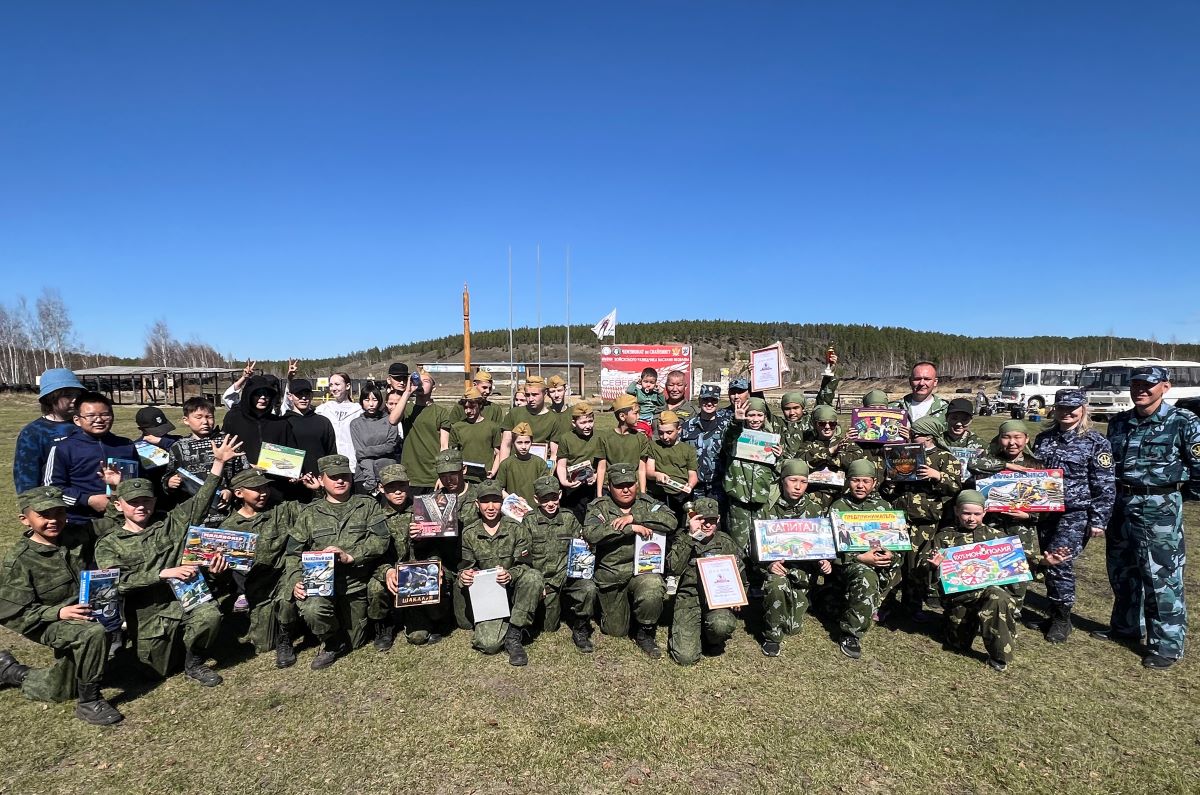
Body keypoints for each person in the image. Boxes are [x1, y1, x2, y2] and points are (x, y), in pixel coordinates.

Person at [94, 435, 243, 687]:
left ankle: (194, 662)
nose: (140, 507)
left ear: (154, 502)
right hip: (149, 616)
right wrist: (162, 573)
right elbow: (115, 584)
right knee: (155, 671)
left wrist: (218, 464)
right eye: (133, 503)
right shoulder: (109, 543)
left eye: (146, 501)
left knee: (210, 616)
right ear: (119, 506)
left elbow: (201, 500)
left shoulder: (169, 524)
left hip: (184, 601)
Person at [1098, 365, 1200, 669]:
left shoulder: (1183, 421)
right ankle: (1127, 627)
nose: (1141, 390)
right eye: (1136, 384)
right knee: (1122, 569)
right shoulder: (1119, 422)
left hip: (1159, 506)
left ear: (1165, 387)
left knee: (1161, 577)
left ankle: (1167, 644)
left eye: (1148, 385)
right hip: (1120, 502)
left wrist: (1178, 497)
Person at [0, 486, 124, 725]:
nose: (54, 520)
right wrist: (57, 612)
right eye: (44, 515)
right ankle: (89, 702)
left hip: (83, 613)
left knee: (62, 687)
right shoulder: (19, 561)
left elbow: (116, 519)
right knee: (93, 633)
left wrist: (117, 488)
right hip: (45, 622)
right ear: (25, 520)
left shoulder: (75, 535)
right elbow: (10, 613)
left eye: (59, 513)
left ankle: (9, 669)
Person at [931, 490, 1067, 672]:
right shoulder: (944, 537)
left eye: (976, 514)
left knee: (998, 597)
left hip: (989, 592)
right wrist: (934, 567)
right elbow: (933, 580)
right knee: (956, 645)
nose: (971, 518)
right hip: (961, 598)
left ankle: (999, 655)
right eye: (966, 513)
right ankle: (959, 626)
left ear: (985, 512)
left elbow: (1022, 560)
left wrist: (1044, 561)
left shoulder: (998, 537)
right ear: (956, 511)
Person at [285, 454, 393, 670]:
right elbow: (292, 554)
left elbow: (382, 540)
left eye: (344, 476)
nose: (340, 481)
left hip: (357, 583)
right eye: (333, 477)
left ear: (352, 478)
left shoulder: (367, 505)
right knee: (313, 610)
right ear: (322, 480)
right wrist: (295, 579)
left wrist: (350, 555)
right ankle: (332, 642)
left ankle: (362, 627)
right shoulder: (309, 514)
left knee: (357, 641)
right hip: (321, 585)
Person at [1030, 388, 1115, 643]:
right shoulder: (1044, 439)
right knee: (1048, 561)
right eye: (1062, 407)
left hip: (1076, 512)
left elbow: (1105, 484)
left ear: (1083, 409)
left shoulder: (1096, 442)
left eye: (1072, 408)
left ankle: (1062, 619)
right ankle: (1054, 611)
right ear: (1054, 409)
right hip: (1046, 512)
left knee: (1059, 560)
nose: (1067, 412)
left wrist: (1099, 519)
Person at [583, 463, 676, 657]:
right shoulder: (599, 507)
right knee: (616, 631)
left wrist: (635, 517)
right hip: (613, 576)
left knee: (652, 586)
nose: (626, 489)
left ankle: (645, 631)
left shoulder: (647, 502)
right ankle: (623, 611)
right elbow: (591, 534)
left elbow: (671, 521)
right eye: (619, 485)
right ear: (609, 487)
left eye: (630, 484)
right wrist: (629, 528)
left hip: (643, 571)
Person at [217, 469, 308, 667]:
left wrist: (317, 491)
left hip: (285, 574)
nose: (263, 492)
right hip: (259, 587)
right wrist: (217, 570)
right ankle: (292, 623)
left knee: (287, 601)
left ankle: (286, 638)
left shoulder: (282, 509)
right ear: (239, 493)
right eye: (256, 489)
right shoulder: (229, 528)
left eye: (265, 487)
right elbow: (223, 573)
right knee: (264, 644)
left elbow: (314, 513)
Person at [881, 415, 962, 621]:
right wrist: (891, 479)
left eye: (916, 435)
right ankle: (885, 604)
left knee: (917, 566)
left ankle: (912, 607)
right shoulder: (903, 454)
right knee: (892, 563)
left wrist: (938, 476)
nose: (912, 438)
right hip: (899, 518)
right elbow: (889, 487)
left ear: (930, 437)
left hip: (925, 521)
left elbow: (956, 488)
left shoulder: (945, 458)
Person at [456, 480, 541, 666]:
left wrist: (510, 574)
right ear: (477, 504)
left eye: (495, 501)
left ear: (502, 503)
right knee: (489, 644)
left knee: (534, 577)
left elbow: (525, 565)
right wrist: (465, 575)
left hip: (513, 590)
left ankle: (514, 634)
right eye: (485, 501)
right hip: (489, 596)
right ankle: (502, 624)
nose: (491, 507)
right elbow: (464, 566)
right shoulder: (469, 533)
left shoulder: (516, 528)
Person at [759, 460, 834, 657]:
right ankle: (772, 636)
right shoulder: (768, 507)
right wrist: (768, 565)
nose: (798, 486)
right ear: (783, 481)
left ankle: (801, 599)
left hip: (803, 572)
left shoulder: (815, 509)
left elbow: (822, 544)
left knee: (793, 628)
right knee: (776, 585)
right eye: (793, 480)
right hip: (778, 569)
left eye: (803, 481)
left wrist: (824, 561)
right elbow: (754, 547)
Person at [833, 458, 899, 660]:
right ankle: (851, 633)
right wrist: (860, 558)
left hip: (880, 560)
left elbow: (896, 542)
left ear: (874, 482)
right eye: (855, 480)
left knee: (899, 570)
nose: (860, 486)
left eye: (865, 481)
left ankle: (879, 607)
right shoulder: (838, 507)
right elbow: (833, 547)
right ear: (848, 481)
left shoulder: (884, 507)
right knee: (866, 576)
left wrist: (892, 555)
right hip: (850, 564)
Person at [667, 497, 745, 666]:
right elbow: (673, 567)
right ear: (693, 519)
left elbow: (741, 574)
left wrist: (739, 596)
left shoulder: (725, 542)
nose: (708, 525)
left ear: (718, 520)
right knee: (685, 658)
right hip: (689, 599)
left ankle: (712, 640)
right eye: (702, 520)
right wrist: (690, 537)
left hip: (716, 601)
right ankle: (695, 631)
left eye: (712, 520)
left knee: (721, 624)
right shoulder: (682, 538)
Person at [523, 475, 597, 652]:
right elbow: (523, 558)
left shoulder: (569, 518)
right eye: (544, 499)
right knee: (549, 627)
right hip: (545, 580)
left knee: (588, 588)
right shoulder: (529, 521)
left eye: (554, 498)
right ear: (536, 499)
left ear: (560, 495)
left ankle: (580, 628)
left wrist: (587, 544)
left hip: (567, 575)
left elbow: (582, 546)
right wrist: (536, 585)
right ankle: (557, 606)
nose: (550, 503)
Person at [378, 464, 449, 648]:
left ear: (409, 484)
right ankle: (386, 624)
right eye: (391, 488)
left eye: (402, 486)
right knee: (374, 588)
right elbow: (374, 554)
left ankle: (433, 618)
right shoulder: (375, 515)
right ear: (381, 488)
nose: (398, 492)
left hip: (419, 575)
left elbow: (436, 546)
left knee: (418, 637)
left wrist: (435, 564)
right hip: (394, 576)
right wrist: (386, 572)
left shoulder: (424, 508)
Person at [44, 391, 137, 522]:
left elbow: (140, 480)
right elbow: (51, 488)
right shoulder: (63, 448)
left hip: (124, 519)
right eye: (90, 416)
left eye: (105, 415)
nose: (99, 420)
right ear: (77, 420)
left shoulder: (126, 445)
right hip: (80, 521)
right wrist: (87, 500)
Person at [163, 396, 245, 527]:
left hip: (227, 513)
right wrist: (169, 482)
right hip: (193, 513)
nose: (205, 421)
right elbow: (169, 474)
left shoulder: (227, 442)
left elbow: (243, 474)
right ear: (186, 420)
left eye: (209, 417)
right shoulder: (179, 447)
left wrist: (230, 490)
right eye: (198, 417)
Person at [722, 397, 780, 557]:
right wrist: (736, 421)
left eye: (759, 415)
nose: (755, 419)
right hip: (739, 499)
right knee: (738, 546)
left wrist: (779, 457)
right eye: (751, 415)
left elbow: (777, 470)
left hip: (761, 500)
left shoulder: (771, 438)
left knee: (762, 545)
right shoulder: (735, 433)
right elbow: (727, 441)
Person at [14, 368, 85, 493]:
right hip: (54, 504)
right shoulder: (33, 432)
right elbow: (26, 479)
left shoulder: (85, 425)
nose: (75, 399)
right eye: (68, 395)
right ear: (50, 398)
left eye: (78, 395)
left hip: (88, 500)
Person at [389, 370, 450, 496]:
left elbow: (444, 446)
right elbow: (393, 420)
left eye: (426, 381)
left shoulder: (441, 412)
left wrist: (443, 475)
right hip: (411, 475)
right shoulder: (407, 409)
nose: (421, 384)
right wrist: (407, 392)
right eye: (419, 381)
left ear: (434, 387)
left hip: (433, 474)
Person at [221, 374, 296, 466]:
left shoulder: (281, 423)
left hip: (274, 478)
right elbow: (223, 447)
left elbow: (291, 456)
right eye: (258, 393)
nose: (263, 397)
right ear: (249, 395)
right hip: (241, 477)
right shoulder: (233, 418)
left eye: (267, 394)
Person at [680, 384, 735, 506]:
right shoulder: (687, 427)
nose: (709, 403)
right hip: (694, 487)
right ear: (699, 400)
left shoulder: (726, 426)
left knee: (717, 522)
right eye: (705, 399)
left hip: (718, 486)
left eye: (713, 400)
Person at [646, 410, 699, 522]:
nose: (665, 437)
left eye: (669, 432)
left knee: (679, 525)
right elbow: (648, 471)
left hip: (680, 495)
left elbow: (693, 475)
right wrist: (656, 474)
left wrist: (689, 486)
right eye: (661, 433)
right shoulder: (653, 446)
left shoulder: (688, 450)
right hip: (659, 494)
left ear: (678, 430)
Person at [443, 387, 502, 482]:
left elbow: (498, 453)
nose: (468, 411)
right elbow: (452, 453)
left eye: (471, 407)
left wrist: (493, 472)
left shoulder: (492, 427)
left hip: (485, 477)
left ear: (480, 405)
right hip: (464, 478)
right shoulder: (457, 427)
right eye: (465, 408)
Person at [500, 376, 565, 463]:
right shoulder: (514, 413)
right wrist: (503, 468)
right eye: (527, 395)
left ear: (545, 394)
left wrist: (548, 473)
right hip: (515, 465)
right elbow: (506, 445)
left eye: (535, 395)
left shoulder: (553, 419)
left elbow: (554, 453)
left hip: (540, 467)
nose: (530, 399)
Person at [282, 378, 337, 481]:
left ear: (311, 396)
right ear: (290, 396)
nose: (303, 398)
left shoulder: (323, 422)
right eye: (299, 394)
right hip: (291, 481)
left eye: (307, 394)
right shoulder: (282, 422)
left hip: (319, 480)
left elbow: (331, 453)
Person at [554, 402, 602, 521]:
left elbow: (602, 463)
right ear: (574, 423)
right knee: (572, 517)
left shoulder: (600, 437)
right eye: (583, 423)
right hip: (572, 485)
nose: (588, 426)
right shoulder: (566, 438)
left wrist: (596, 476)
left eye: (590, 421)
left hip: (592, 485)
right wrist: (564, 481)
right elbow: (561, 464)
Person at [596, 395, 650, 497]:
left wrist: (643, 493)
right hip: (610, 487)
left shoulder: (641, 438)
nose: (638, 417)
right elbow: (601, 467)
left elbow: (642, 469)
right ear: (622, 416)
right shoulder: (605, 438)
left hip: (632, 488)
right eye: (635, 413)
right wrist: (599, 494)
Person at [349, 384, 399, 495]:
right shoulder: (356, 424)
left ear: (380, 401)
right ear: (361, 401)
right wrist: (370, 479)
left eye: (374, 400)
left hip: (388, 474)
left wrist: (367, 451)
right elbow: (360, 454)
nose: (371, 404)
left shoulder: (390, 420)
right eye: (367, 400)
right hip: (364, 476)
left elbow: (390, 446)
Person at [314, 373, 363, 471]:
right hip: (330, 464)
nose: (333, 388)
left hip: (352, 464)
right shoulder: (323, 409)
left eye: (337, 384)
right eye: (331, 385)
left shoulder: (359, 410)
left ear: (348, 386)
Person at [495, 422, 546, 507]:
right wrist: (514, 499)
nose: (523, 446)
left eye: (527, 442)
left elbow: (545, 489)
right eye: (519, 442)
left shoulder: (540, 463)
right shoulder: (506, 464)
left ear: (531, 442)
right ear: (513, 442)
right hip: (514, 508)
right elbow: (498, 488)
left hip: (536, 509)